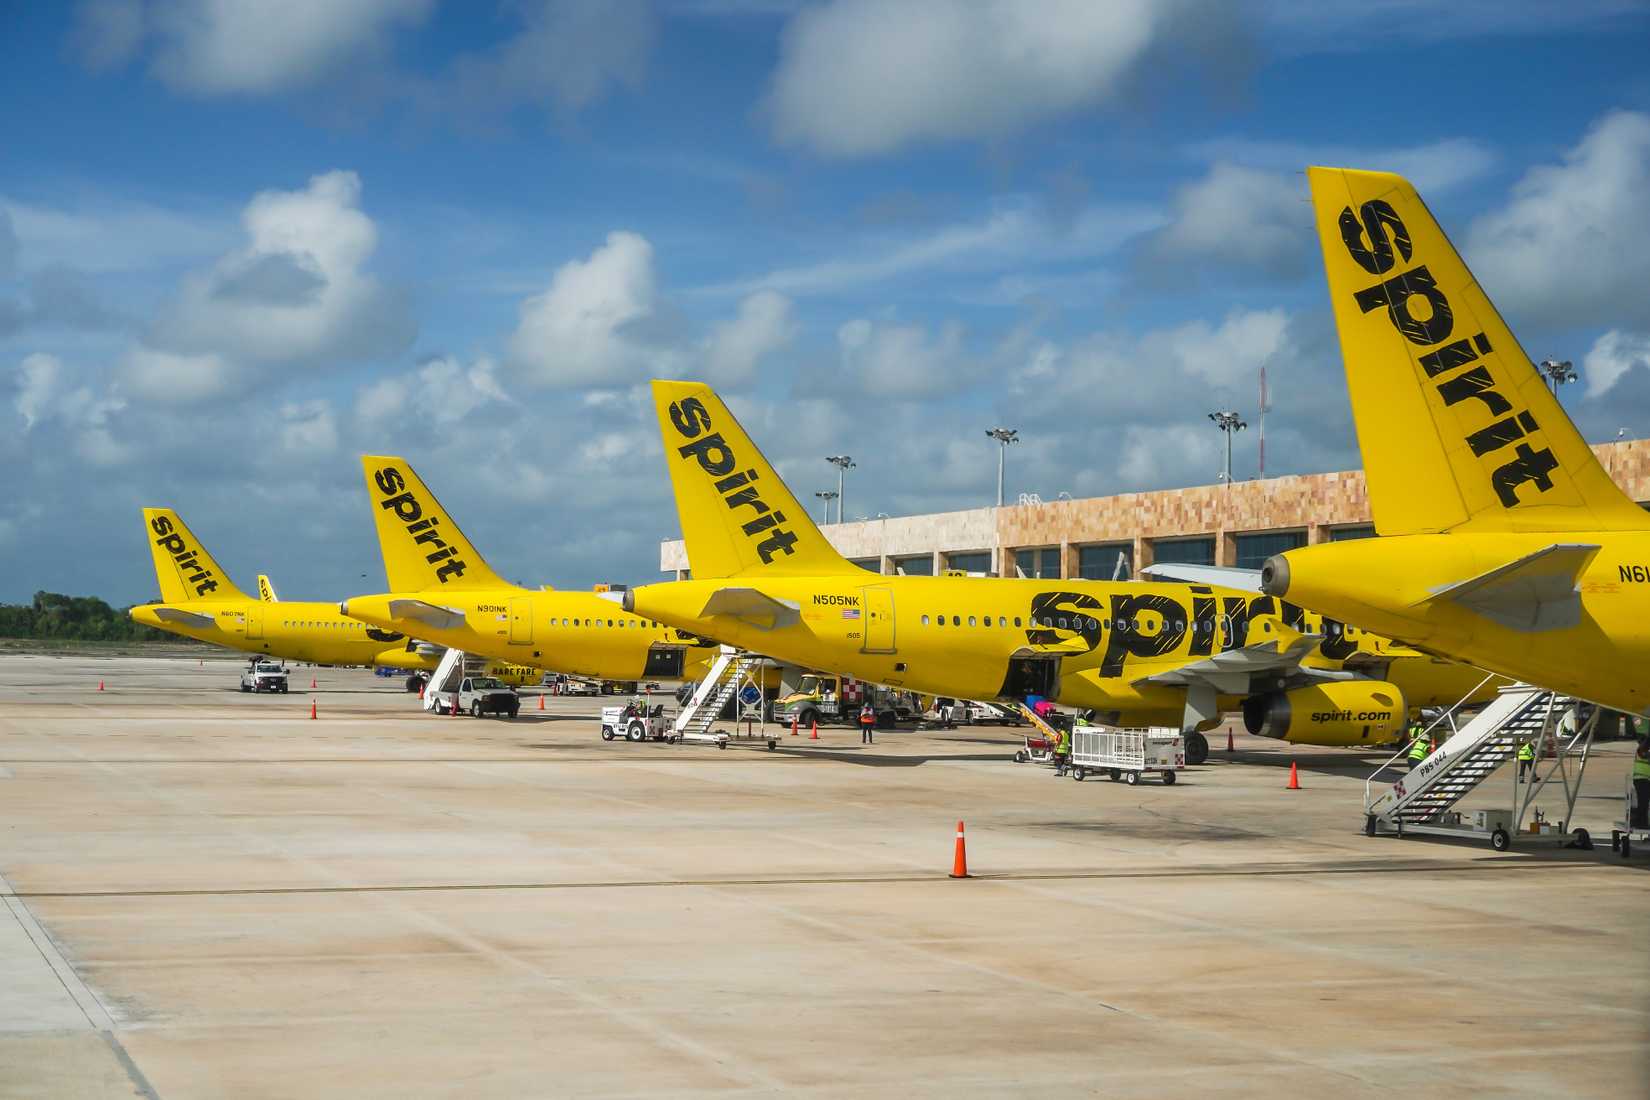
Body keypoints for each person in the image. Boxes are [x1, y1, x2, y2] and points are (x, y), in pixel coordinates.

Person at [1632, 741, 1650, 829]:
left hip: (1645, 780)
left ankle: (1642, 822)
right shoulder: (1641, 749)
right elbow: (1644, 755)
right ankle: (1641, 822)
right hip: (1641, 779)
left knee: (1644, 802)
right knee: (1643, 802)